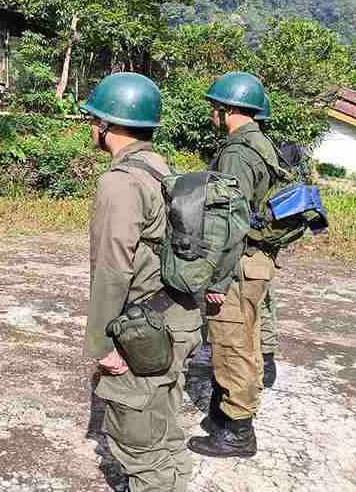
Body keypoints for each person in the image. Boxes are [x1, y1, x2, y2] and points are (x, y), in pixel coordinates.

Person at [83, 73, 202, 492]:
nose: (92, 127)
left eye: (95, 119)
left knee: (139, 441)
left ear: (108, 126)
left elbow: (112, 267)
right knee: (165, 430)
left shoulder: (119, 181)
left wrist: (102, 343)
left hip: (145, 329)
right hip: (178, 315)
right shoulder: (158, 166)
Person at [189, 72, 280, 458]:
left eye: (215, 106)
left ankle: (238, 433)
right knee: (246, 343)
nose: (213, 112)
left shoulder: (239, 153)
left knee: (231, 347)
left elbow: (230, 221)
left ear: (227, 109)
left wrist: (217, 278)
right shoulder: (260, 143)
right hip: (252, 262)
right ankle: (225, 416)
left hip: (238, 265)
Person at [254, 94, 279, 388]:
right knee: (266, 298)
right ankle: (268, 356)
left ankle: (266, 360)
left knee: (256, 302)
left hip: (254, 234)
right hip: (268, 235)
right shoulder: (270, 148)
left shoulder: (250, 150)